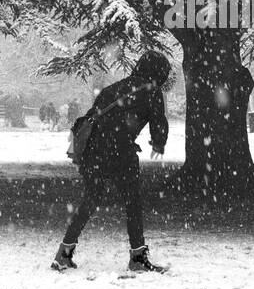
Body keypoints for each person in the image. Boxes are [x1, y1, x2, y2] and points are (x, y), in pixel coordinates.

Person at [52, 52, 171, 274]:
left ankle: (64, 253)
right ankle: (137, 256)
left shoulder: (114, 88)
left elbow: (92, 115)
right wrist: (158, 143)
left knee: (90, 199)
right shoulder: (152, 91)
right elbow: (158, 120)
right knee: (133, 203)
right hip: (120, 152)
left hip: (93, 152)